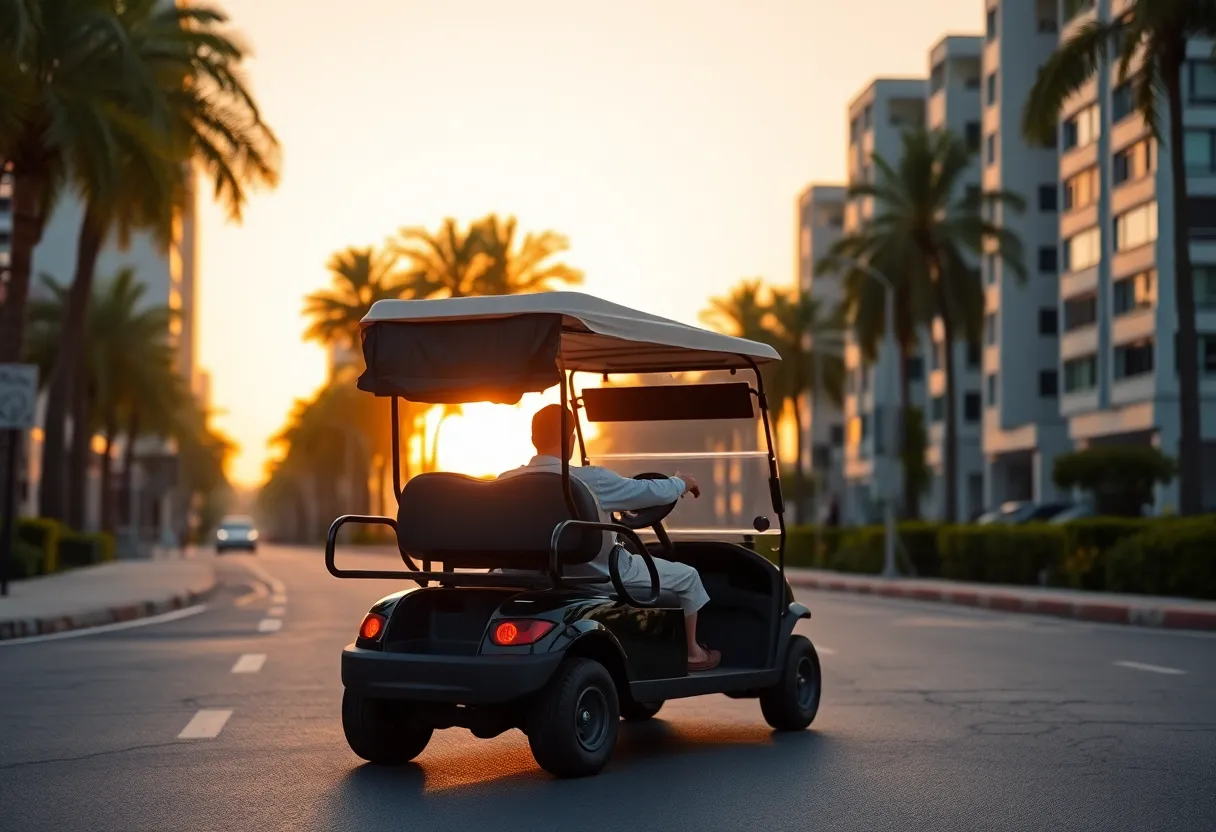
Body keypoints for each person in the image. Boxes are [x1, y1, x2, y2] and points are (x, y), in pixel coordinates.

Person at [497, 404, 721, 672]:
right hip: (599, 574)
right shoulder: (591, 479)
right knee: (688, 578)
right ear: (571, 441)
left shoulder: (506, 480)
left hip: (534, 576)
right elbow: (649, 492)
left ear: (534, 439)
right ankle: (693, 654)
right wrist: (681, 483)